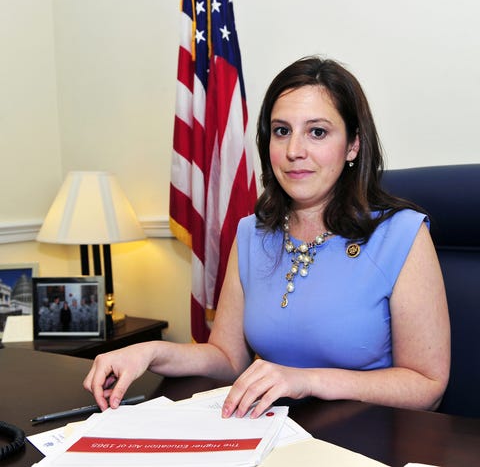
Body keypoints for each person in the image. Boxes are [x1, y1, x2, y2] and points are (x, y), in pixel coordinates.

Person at [83, 56, 450, 419]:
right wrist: (151, 352)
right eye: (281, 131)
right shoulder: (252, 232)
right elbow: (228, 359)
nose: (294, 151)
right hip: (271, 436)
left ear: (353, 145)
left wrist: (307, 381)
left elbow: (427, 386)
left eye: (317, 132)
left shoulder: (401, 234)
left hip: (369, 438)